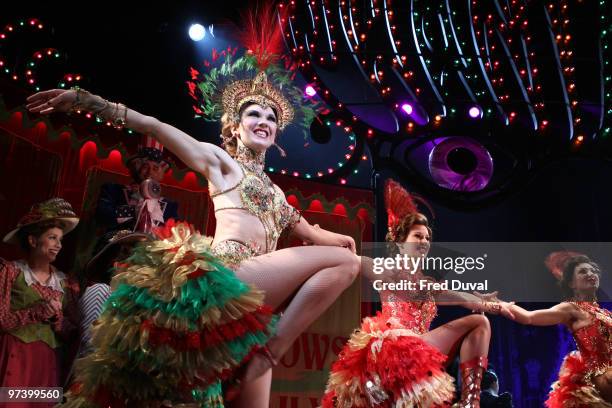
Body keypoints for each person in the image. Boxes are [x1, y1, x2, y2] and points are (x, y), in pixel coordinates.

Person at [26, 10, 360, 407]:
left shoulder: (275, 194)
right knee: (346, 265)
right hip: (230, 277)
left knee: (343, 260)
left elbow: (318, 237)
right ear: (235, 127)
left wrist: (345, 238)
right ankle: (271, 351)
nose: (263, 120)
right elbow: (155, 126)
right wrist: (88, 101)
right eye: (253, 113)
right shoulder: (222, 163)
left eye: (271, 117)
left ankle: (260, 354)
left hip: (252, 310)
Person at [322, 180, 513, 408]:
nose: (424, 242)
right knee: (478, 322)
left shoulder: (427, 284)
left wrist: (490, 303)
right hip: (397, 347)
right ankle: (469, 402)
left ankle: (470, 401)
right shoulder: (390, 270)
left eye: (427, 238)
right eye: (417, 237)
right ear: (401, 244)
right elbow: (355, 261)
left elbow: (462, 297)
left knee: (480, 322)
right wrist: (323, 240)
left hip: (421, 350)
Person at [498, 254, 611, 407]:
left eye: (593, 271)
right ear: (572, 283)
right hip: (602, 379)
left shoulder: (604, 313)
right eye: (583, 272)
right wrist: (499, 304)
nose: (591, 274)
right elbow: (529, 317)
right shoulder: (571, 308)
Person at [0, 198, 80, 408]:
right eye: (52, 238)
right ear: (33, 241)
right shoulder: (10, 272)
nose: (58, 245)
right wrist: (36, 312)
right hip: (16, 357)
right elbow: (2, 321)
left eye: (60, 239)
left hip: (48, 362)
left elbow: (73, 331)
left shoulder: (65, 282)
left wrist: (58, 319)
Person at [76, 229, 149, 358]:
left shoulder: (131, 301)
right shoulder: (100, 291)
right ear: (115, 263)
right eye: (128, 254)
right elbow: (87, 345)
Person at [96, 142, 179, 234]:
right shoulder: (113, 190)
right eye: (145, 167)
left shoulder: (170, 206)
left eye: (155, 168)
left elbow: (173, 233)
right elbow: (102, 217)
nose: (149, 172)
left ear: (161, 175)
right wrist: (135, 209)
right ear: (136, 169)